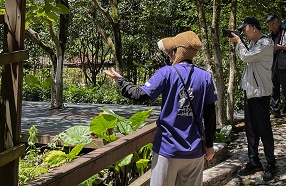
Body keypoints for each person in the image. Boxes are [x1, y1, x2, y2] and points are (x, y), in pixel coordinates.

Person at [104, 30, 217, 186]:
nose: (170, 54)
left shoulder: (167, 73)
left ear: (178, 51)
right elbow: (210, 114)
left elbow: (140, 95)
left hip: (167, 149)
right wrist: (210, 145)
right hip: (194, 151)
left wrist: (121, 80)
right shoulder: (205, 77)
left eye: (172, 51)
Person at [230, 16, 277, 182]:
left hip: (260, 93)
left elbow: (246, 57)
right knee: (250, 129)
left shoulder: (266, 43)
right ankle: (253, 160)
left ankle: (271, 164)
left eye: (245, 28)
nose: (243, 31)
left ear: (254, 28)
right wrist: (241, 41)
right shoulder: (252, 43)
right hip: (249, 92)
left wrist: (239, 42)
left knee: (264, 129)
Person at [266, 14, 286, 118]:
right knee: (274, 90)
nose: (273, 26)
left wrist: (280, 47)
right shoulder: (269, 37)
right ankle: (276, 111)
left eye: (274, 23)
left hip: (285, 67)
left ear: (278, 23)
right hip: (273, 67)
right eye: (270, 25)